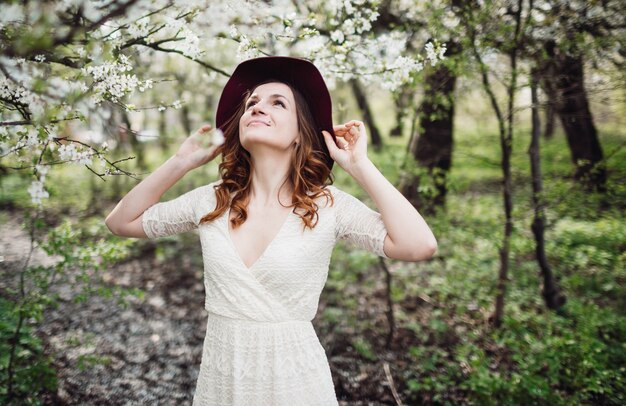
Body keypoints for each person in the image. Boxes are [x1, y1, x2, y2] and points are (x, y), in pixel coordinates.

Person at [105, 56, 437, 405]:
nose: (257, 108)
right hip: (223, 382)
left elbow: (419, 245)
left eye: (277, 103)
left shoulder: (328, 206)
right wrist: (181, 162)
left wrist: (359, 165)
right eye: (252, 103)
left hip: (297, 384)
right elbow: (120, 223)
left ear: (300, 132)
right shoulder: (211, 201)